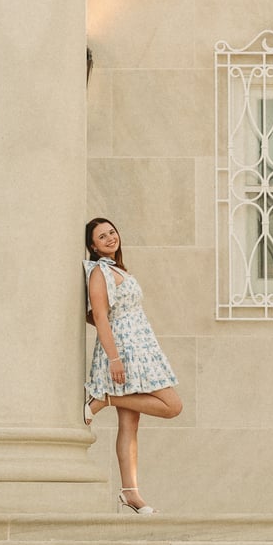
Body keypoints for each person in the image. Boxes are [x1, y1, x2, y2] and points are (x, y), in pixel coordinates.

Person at [83, 216, 182, 515]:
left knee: (130, 424)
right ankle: (104, 398)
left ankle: (130, 493)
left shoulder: (116, 268)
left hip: (141, 347)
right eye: (102, 237)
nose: (111, 238)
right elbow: (99, 316)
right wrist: (114, 358)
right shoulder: (99, 271)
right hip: (125, 351)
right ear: (93, 246)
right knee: (172, 405)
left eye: (112, 232)